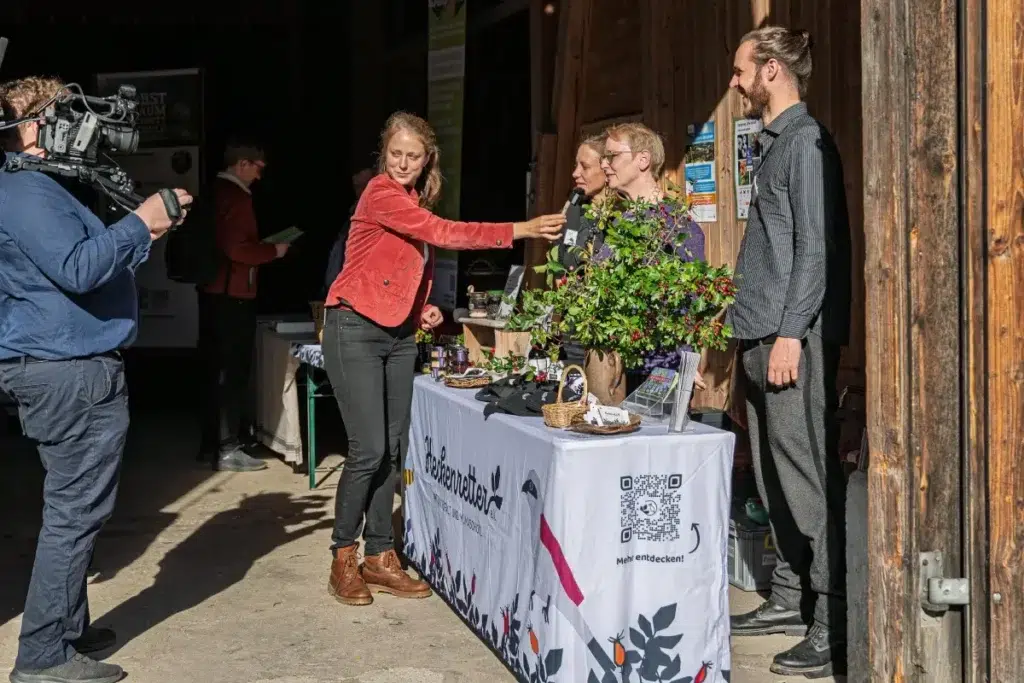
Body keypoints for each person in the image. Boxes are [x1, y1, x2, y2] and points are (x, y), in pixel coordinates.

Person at [323, 111, 565, 606]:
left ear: (427, 157)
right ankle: (343, 556)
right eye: (395, 154)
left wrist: (421, 306)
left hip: (397, 334)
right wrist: (520, 228)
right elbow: (445, 233)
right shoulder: (380, 194)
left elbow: (406, 261)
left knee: (393, 450)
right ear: (383, 154)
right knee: (367, 448)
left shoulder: (411, 198)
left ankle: (380, 555)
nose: (404, 163)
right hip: (354, 328)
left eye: (413, 156)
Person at [0, 76, 191, 683]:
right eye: (60, 114)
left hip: (64, 364)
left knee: (72, 508)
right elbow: (79, 268)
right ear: (30, 128)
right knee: (74, 513)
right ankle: (43, 656)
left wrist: (146, 230)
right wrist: (141, 220)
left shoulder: (37, 188)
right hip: (68, 372)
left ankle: (67, 630)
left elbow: (91, 260)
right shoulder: (26, 192)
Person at [725, 26, 851, 679]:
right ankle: (788, 595)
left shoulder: (805, 143)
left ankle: (834, 618)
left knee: (806, 480)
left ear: (770, 70)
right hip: (761, 331)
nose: (735, 81)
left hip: (786, 341)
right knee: (775, 481)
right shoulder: (776, 145)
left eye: (741, 69)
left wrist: (790, 333)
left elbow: (816, 250)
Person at [197, 139, 289, 472]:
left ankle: (212, 443)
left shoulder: (213, 192)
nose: (260, 176)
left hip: (213, 291)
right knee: (232, 372)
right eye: (258, 168)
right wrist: (273, 251)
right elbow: (238, 249)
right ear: (242, 165)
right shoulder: (235, 197)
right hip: (233, 294)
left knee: (213, 369)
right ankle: (227, 448)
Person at [598, 122, 707, 385]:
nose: (604, 164)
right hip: (616, 367)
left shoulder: (675, 226)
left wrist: (685, 361)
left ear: (643, 160)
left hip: (660, 372)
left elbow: (689, 300)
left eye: (612, 156)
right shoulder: (619, 222)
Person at [322, 166, 374, 293]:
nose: (361, 192)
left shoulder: (376, 216)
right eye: (357, 187)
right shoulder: (351, 215)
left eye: (364, 186)